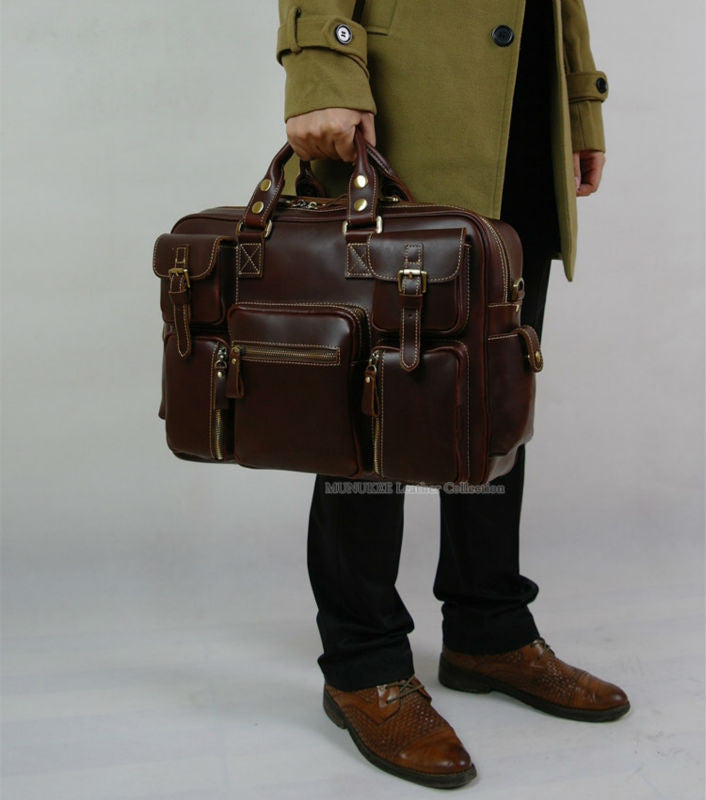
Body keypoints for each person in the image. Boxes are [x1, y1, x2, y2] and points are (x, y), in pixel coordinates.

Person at [276, 0, 630, 789]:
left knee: (494, 396)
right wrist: (321, 67)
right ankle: (364, 662)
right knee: (376, 405)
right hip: (409, 106)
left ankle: (487, 627)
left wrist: (578, 103)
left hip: (524, 112)